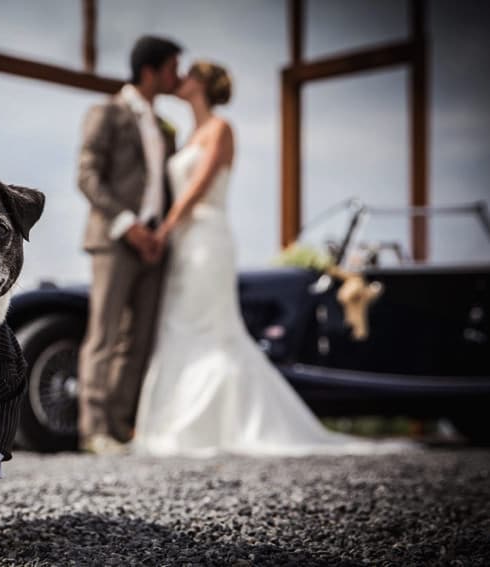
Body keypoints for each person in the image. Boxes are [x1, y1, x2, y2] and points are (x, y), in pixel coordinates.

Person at [132, 61, 412, 457]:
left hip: (208, 237)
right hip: (183, 242)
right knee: (178, 324)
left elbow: (199, 185)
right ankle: (173, 424)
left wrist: (164, 230)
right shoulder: (190, 135)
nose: (181, 79)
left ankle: (214, 425)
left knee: (211, 326)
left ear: (203, 84)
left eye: (189, 74)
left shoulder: (221, 129)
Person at [76, 36, 181, 455]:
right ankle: (93, 429)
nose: (178, 76)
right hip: (115, 240)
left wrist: (158, 234)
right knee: (104, 334)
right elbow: (87, 176)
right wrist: (128, 225)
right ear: (151, 70)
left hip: (154, 244)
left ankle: (120, 428)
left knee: (137, 339)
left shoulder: (164, 126)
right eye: (174, 67)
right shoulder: (107, 112)